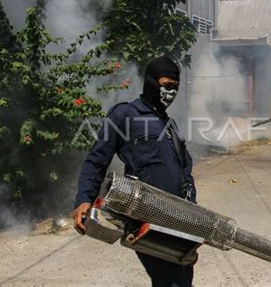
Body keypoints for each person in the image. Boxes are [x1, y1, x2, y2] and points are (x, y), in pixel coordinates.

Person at [72, 56, 196, 287]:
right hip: (147, 219)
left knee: (182, 279)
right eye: (167, 86)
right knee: (172, 282)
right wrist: (84, 198)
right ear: (150, 82)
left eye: (176, 88)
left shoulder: (170, 125)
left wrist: (192, 218)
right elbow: (96, 161)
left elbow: (185, 172)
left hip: (178, 220)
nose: (172, 93)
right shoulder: (125, 115)